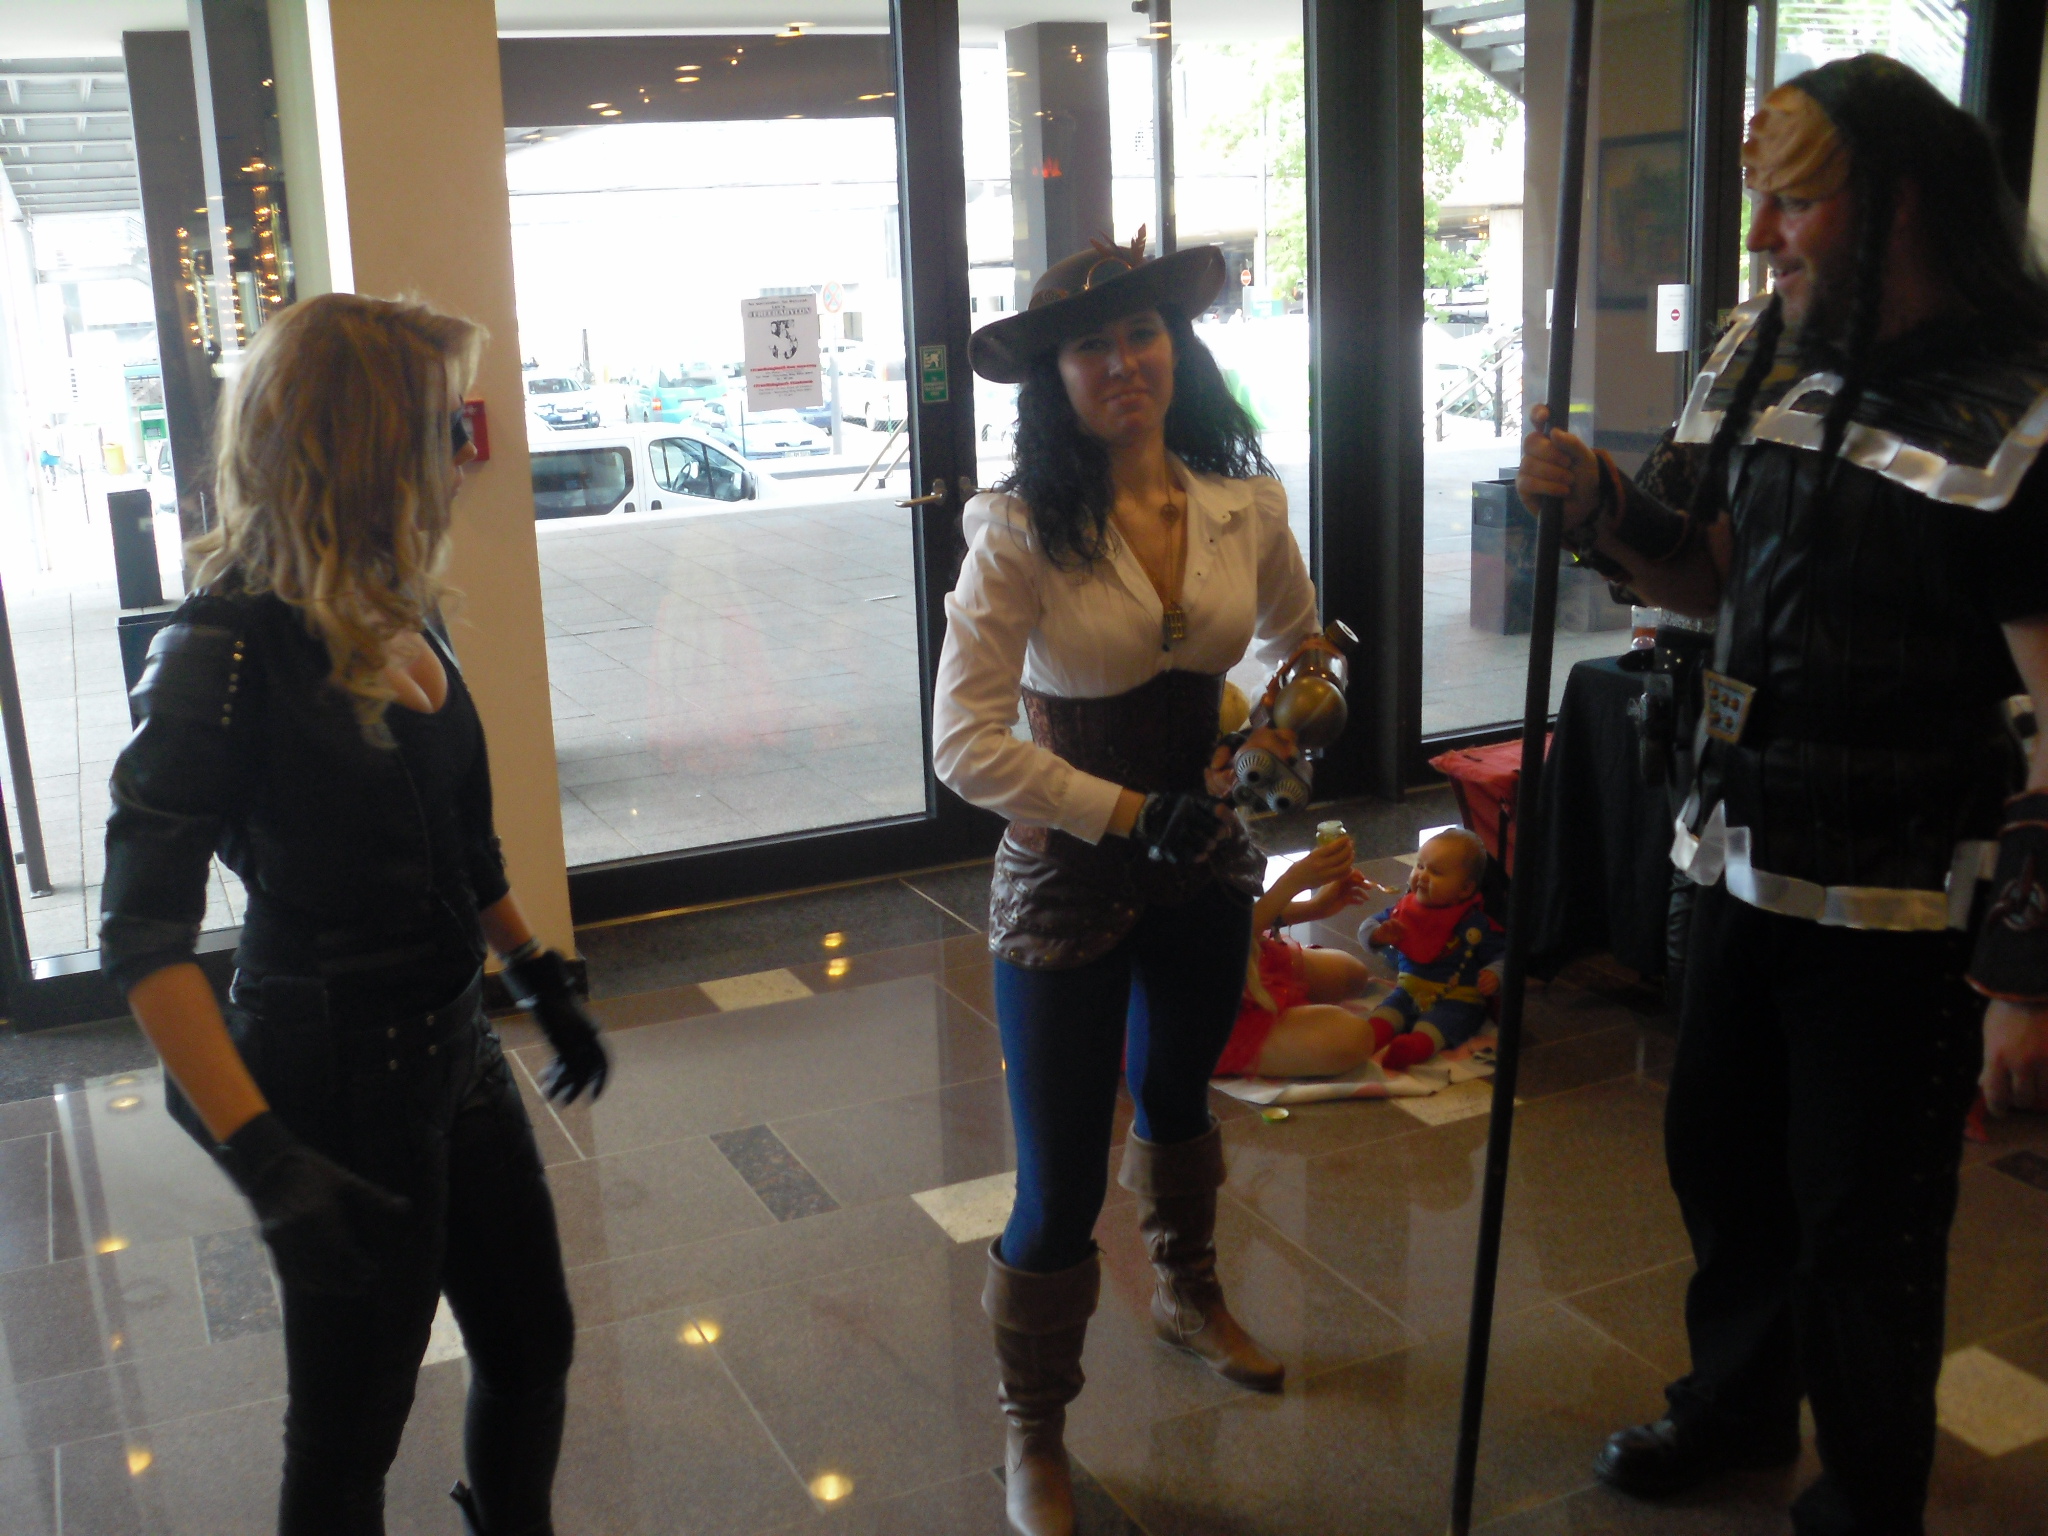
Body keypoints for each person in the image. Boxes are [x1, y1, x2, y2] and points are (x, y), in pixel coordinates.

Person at [1517, 56, 2048, 1536]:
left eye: (1793, 203)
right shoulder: (1783, 362)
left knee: (1862, 1222)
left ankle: (1868, 1496)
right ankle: (1736, 1404)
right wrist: (1603, 506)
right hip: (1740, 850)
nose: (1760, 235)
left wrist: (2025, 972)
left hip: (1904, 902)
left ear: (1900, 204)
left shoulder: (2018, 418)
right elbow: (1712, 579)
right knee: (1723, 1159)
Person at [99, 293, 610, 1536]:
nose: (461, 456)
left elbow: (459, 840)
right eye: (440, 430)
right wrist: (266, 1160)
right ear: (363, 447)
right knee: (350, 1426)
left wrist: (531, 970)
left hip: (453, 1047)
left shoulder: (400, 605)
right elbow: (143, 941)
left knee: (532, 1340)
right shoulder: (219, 653)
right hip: (329, 1079)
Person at [934, 233, 1322, 1536]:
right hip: (1067, 866)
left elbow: (1302, 645)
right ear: (1055, 378)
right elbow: (961, 743)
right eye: (1091, 347)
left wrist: (1281, 732)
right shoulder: (1018, 528)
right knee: (1059, 1181)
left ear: (1177, 347)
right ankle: (1032, 1429)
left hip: (1203, 857)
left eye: (1142, 334)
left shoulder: (1242, 502)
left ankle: (1186, 1292)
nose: (1122, 364)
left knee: (1180, 1096)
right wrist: (1123, 810)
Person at [1212, 833, 1384, 1079]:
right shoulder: (1163, 841)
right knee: (1351, 1037)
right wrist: (1292, 881)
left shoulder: (1213, 820)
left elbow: (1228, 918)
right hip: (1198, 1000)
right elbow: (1210, 951)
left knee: (1352, 975)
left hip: (1241, 958)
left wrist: (1314, 907)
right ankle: (1200, 1052)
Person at [1356, 827, 1504, 1071]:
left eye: (1435, 872)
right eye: (1420, 866)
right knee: (1388, 1011)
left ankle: (1415, 1047)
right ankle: (1368, 1039)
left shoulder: (1474, 924)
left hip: (1457, 997)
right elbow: (1367, 926)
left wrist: (1495, 974)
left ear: (1465, 889)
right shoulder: (1404, 909)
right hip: (1409, 989)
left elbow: (1503, 955)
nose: (1422, 876)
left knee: (1439, 1025)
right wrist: (1377, 935)